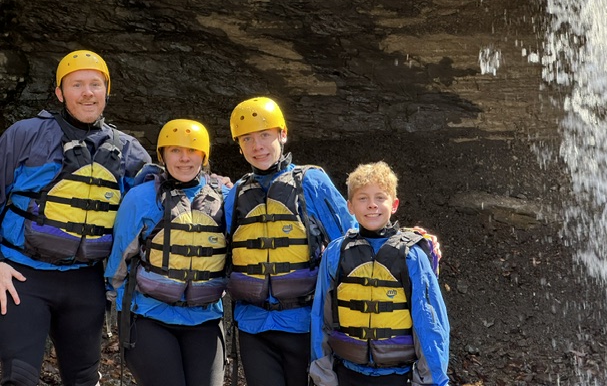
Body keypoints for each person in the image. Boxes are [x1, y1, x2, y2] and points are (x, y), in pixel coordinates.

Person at [0, 50, 151, 386]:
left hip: (85, 282)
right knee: (19, 378)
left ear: (106, 91)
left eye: (95, 84)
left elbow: (158, 202)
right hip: (23, 276)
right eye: (77, 84)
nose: (87, 92)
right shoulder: (25, 134)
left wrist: (214, 182)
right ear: (59, 93)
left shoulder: (128, 150)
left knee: (82, 379)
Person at [225, 96, 357, 386]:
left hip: (304, 323)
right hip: (252, 325)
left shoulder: (311, 181)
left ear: (282, 135)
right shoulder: (235, 193)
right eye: (247, 139)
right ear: (239, 145)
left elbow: (352, 241)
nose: (257, 146)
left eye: (264, 135)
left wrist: (413, 239)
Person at [105, 119, 228, 386]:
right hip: (150, 317)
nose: (184, 159)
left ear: (204, 156)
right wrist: (113, 304)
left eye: (192, 151)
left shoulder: (226, 197)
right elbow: (119, 260)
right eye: (175, 151)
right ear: (161, 155)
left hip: (205, 318)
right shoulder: (140, 198)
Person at [309, 161, 450, 386]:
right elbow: (321, 319)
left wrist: (431, 381)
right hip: (346, 373)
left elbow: (430, 325)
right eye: (362, 198)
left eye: (380, 198)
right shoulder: (336, 253)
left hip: (397, 376)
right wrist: (323, 375)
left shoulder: (412, 256)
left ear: (394, 204)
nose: (372, 205)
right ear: (350, 207)